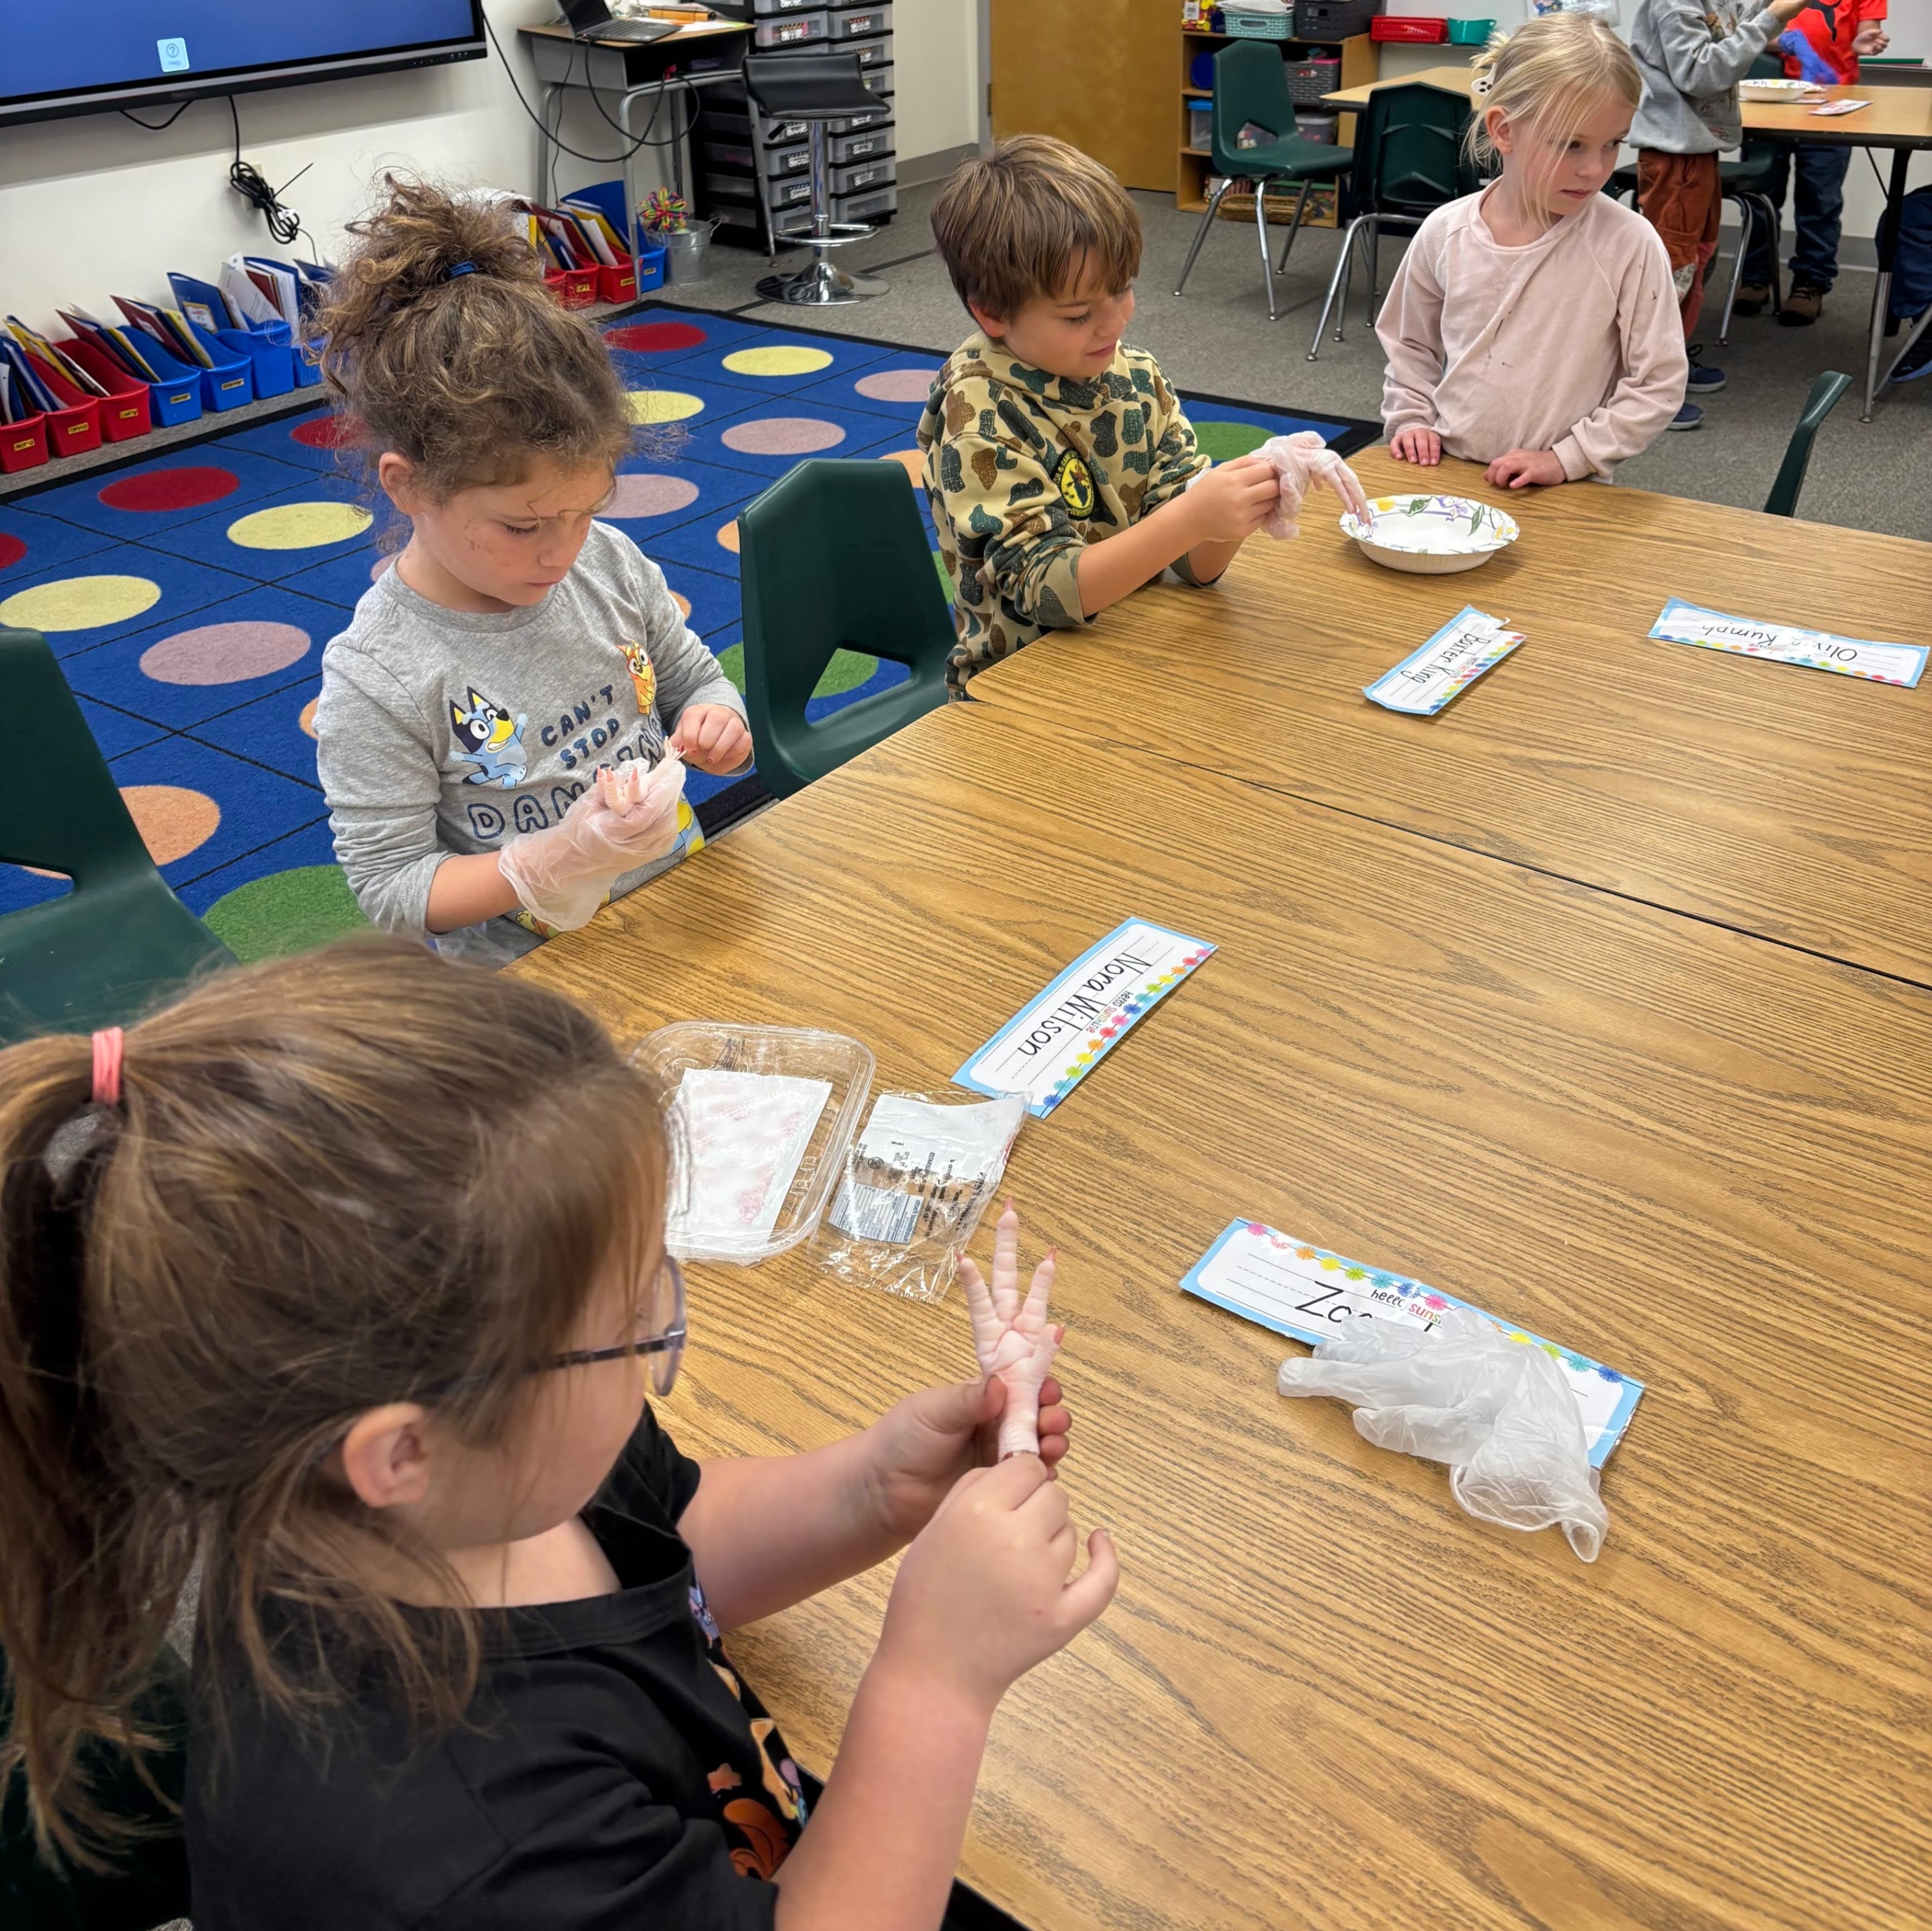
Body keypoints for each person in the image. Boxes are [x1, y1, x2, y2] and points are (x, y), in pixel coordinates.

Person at [0, 943, 1119, 1931]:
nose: (659, 1336)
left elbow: (668, 1549)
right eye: (629, 1321)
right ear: (402, 1452)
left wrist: (872, 1487)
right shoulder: (460, 1851)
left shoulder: (488, 1473)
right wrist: (934, 1684)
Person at [311, 179, 753, 966]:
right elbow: (394, 891)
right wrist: (544, 861)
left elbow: (696, 681)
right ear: (408, 485)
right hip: (530, 972)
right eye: (521, 526)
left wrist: (722, 724)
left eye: (583, 510)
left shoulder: (606, 563)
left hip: (675, 898)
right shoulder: (380, 676)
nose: (560, 552)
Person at [917, 136, 1289, 695]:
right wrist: (1193, 516)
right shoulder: (979, 415)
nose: (1114, 325)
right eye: (1077, 315)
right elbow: (1045, 591)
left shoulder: (1136, 377)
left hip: (1132, 652)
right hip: (1021, 689)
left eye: (1123, 291)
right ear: (991, 312)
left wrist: (1232, 512)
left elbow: (1195, 567)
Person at [1379, 14, 1687, 485]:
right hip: (1447, 472)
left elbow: (1657, 383)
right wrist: (1411, 418)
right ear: (1504, 130)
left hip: (1563, 485)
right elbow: (1409, 344)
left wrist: (1569, 458)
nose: (1595, 169)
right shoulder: (1445, 232)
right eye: (1571, 145)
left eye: (1611, 145)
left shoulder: (1628, 242)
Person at [1628, 0, 1812, 425]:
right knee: (1672, 270)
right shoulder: (1675, 4)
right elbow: (1700, 73)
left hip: (1698, 147)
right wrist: (1773, 16)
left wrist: (1768, 17)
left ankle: (1668, 362)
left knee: (1695, 259)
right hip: (1674, 153)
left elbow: (1733, 32)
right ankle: (1647, 386)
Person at [1735, 1, 1889, 325]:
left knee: (1820, 199)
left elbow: (1866, 34)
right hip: (1770, 97)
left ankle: (1810, 284)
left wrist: (1865, 43)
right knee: (1760, 192)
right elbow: (1743, 32)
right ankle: (1755, 277)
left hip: (1831, 99)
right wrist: (1785, 42)